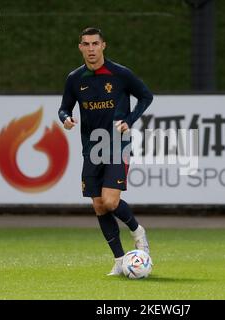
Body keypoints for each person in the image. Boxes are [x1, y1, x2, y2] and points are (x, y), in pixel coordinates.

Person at [58, 27, 153, 276]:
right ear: (80, 47)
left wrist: (129, 120)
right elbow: (63, 108)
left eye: (95, 44)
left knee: (111, 201)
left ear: (103, 46)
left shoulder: (120, 74)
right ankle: (120, 260)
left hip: (116, 144)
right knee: (99, 206)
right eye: (86, 44)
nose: (91, 49)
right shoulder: (75, 79)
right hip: (91, 148)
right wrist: (66, 118)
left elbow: (145, 96)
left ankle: (138, 232)